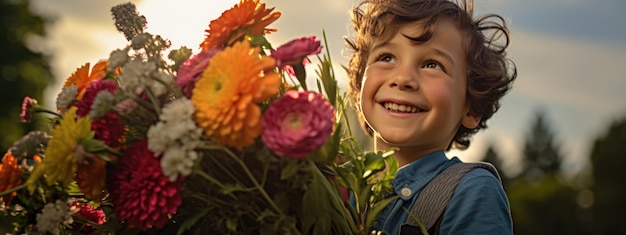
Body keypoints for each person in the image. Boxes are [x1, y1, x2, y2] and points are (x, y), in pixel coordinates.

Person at [345, 0, 517, 234]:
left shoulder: (470, 192)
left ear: (471, 109)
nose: (403, 78)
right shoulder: (334, 185)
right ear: (359, 87)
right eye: (386, 58)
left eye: (432, 64)